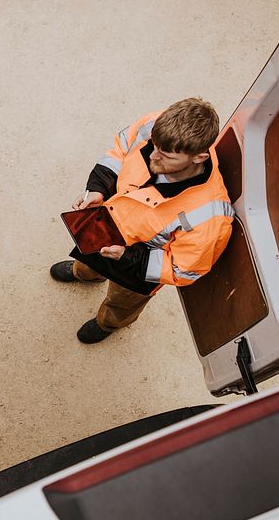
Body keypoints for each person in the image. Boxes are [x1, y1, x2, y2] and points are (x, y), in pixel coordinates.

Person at [50, 98, 233, 343]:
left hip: (137, 270)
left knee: (122, 301)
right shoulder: (155, 126)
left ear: (199, 157)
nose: (153, 157)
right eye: (154, 146)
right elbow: (119, 151)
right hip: (105, 224)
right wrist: (98, 187)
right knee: (88, 257)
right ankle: (85, 273)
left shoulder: (211, 217)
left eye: (166, 156)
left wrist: (126, 257)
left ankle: (108, 322)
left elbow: (183, 270)